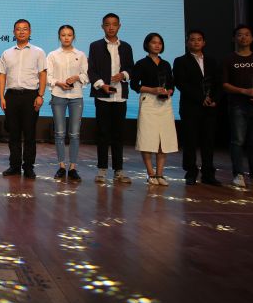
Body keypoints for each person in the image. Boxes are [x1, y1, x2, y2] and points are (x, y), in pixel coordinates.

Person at [221, 25, 253, 188]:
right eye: (240, 35)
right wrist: (244, 91)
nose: (243, 37)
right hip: (237, 105)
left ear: (252, 38)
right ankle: (238, 174)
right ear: (234, 38)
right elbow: (224, 84)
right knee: (238, 141)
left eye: (247, 35)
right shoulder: (229, 59)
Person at [88, 13, 135, 184]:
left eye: (114, 24)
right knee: (102, 134)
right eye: (107, 24)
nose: (111, 27)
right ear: (102, 27)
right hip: (103, 96)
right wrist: (102, 85)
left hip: (120, 96)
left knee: (118, 135)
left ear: (119, 26)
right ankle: (102, 170)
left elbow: (131, 68)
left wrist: (124, 74)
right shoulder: (95, 46)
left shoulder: (126, 47)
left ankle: (118, 170)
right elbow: (91, 70)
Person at [0, 19, 47, 179]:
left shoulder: (38, 52)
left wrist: (40, 95)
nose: (21, 32)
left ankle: (29, 167)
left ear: (30, 32)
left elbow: (43, 74)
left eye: (25, 29)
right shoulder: (7, 53)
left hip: (30, 96)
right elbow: (1, 75)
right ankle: (14, 166)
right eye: (18, 29)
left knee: (30, 134)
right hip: (11, 96)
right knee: (13, 134)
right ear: (14, 32)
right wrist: (1, 96)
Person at [173, 30, 221, 185]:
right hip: (190, 106)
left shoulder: (212, 61)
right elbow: (181, 83)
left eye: (199, 39)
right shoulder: (180, 61)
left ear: (204, 42)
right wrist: (201, 98)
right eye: (192, 39)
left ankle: (208, 173)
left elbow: (218, 82)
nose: (196, 42)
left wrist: (214, 99)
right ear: (187, 42)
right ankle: (191, 172)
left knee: (208, 141)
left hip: (210, 107)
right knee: (190, 141)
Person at [131, 33, 178, 185]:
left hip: (164, 102)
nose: (157, 45)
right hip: (149, 101)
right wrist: (152, 90)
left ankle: (160, 174)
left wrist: (169, 91)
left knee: (164, 138)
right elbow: (134, 85)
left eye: (160, 43)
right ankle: (150, 173)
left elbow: (171, 83)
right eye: (154, 42)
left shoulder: (166, 64)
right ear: (147, 44)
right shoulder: (141, 63)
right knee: (147, 137)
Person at [46, 25, 88, 182]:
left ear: (73, 37)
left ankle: (73, 168)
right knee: (59, 133)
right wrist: (59, 83)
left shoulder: (81, 55)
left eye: (69, 35)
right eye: (63, 35)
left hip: (76, 96)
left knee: (75, 133)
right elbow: (48, 76)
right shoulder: (52, 55)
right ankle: (62, 166)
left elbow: (86, 76)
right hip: (58, 95)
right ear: (59, 37)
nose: (66, 37)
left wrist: (77, 77)